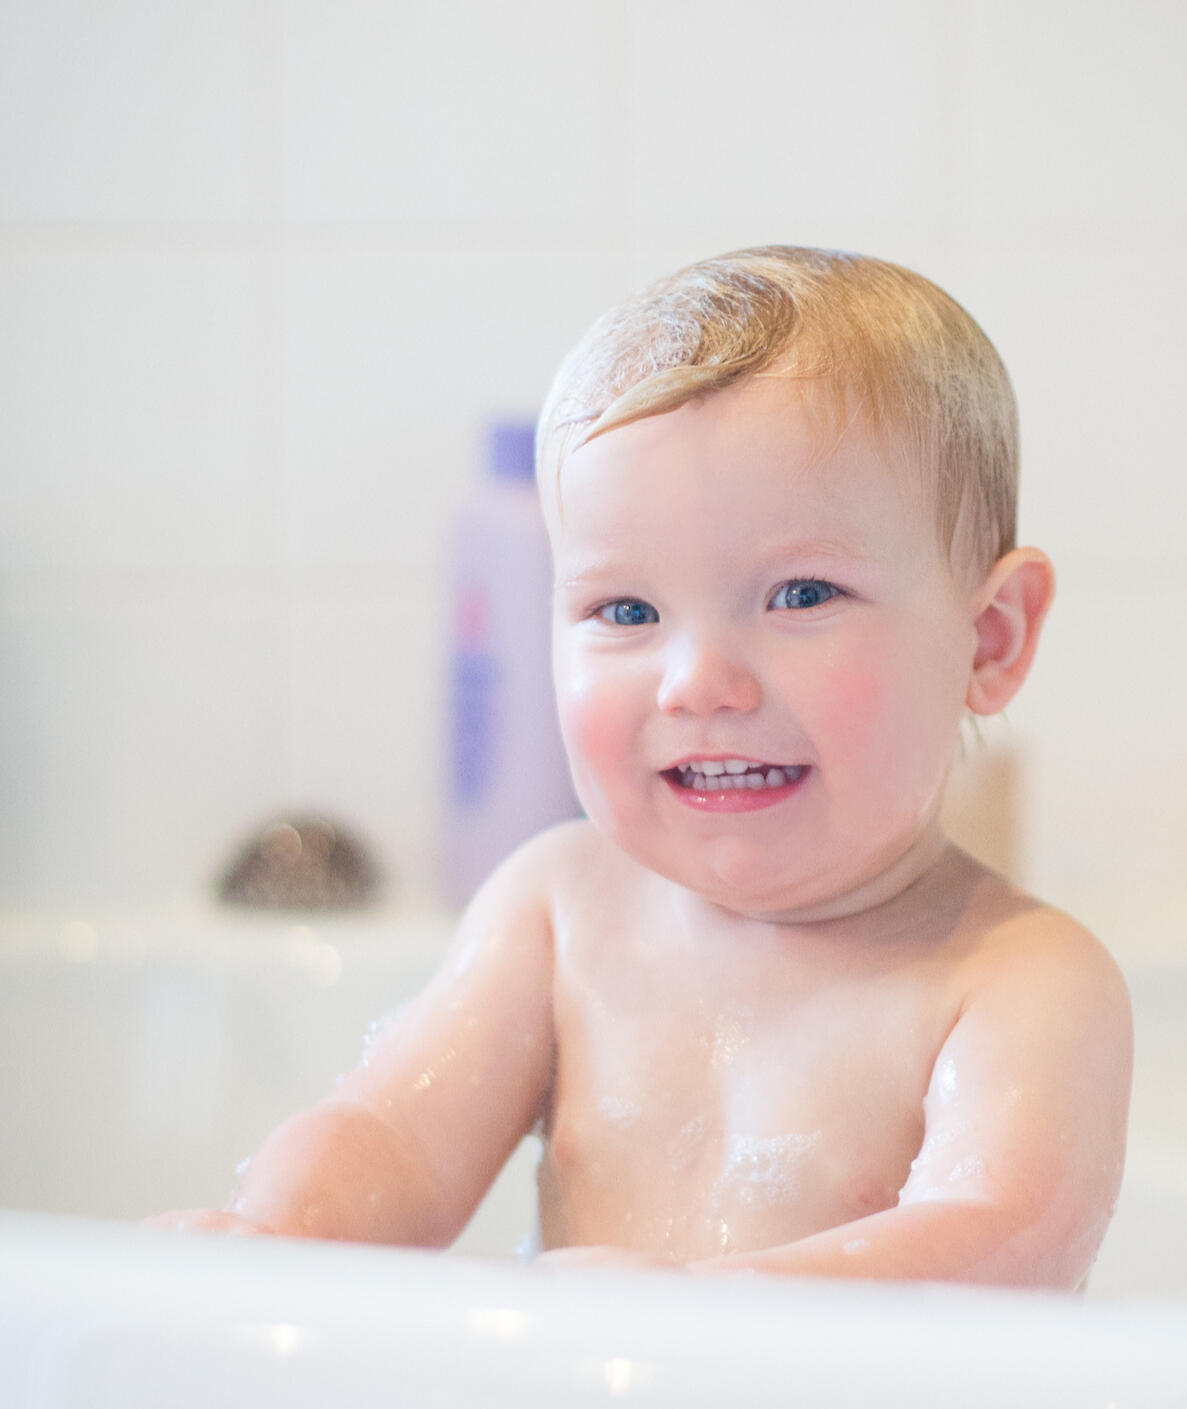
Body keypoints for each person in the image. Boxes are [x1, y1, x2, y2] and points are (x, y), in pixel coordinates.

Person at [150, 247, 1132, 1287]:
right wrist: (279, 1233)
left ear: (989, 639)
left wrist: (701, 1311)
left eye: (801, 595)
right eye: (626, 610)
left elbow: (999, 1242)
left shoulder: (1020, 980)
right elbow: (392, 1136)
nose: (696, 682)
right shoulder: (559, 910)